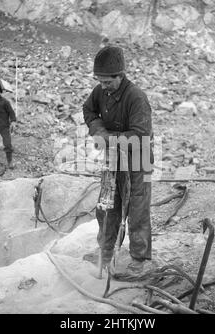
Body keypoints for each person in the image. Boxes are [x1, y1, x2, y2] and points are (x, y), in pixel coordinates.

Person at [83, 46, 154, 274]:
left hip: (137, 160)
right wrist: (98, 130)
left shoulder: (136, 98)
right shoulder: (100, 91)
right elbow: (89, 110)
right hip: (113, 159)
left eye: (107, 82)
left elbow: (140, 135)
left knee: (136, 209)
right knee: (107, 205)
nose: (103, 87)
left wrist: (109, 139)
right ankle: (105, 252)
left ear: (120, 76)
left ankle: (139, 260)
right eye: (100, 82)